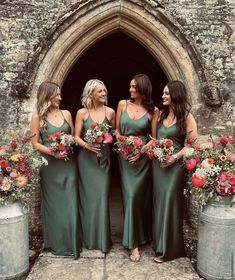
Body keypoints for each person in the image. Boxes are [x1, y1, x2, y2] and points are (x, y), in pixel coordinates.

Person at [30, 81, 82, 258]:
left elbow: (73, 137)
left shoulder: (66, 113)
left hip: (68, 164)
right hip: (50, 167)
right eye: (56, 95)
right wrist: (53, 151)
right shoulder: (38, 117)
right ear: (47, 95)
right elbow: (35, 143)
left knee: (70, 203)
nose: (60, 98)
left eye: (60, 94)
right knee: (54, 206)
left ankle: (72, 244)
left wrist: (68, 143)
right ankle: (55, 243)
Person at [152, 80, 198, 263]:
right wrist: (156, 153)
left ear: (175, 95)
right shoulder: (161, 116)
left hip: (174, 167)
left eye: (166, 93)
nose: (163, 96)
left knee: (170, 202)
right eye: (163, 93)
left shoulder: (186, 117)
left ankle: (169, 250)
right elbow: (155, 140)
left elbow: (192, 144)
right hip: (159, 166)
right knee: (160, 203)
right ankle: (159, 245)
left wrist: (174, 157)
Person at [116, 74, 159, 262]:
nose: (130, 90)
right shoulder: (122, 104)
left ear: (143, 89)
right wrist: (123, 143)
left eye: (134, 87)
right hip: (125, 157)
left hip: (142, 159)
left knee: (137, 198)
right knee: (129, 197)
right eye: (130, 87)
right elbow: (116, 131)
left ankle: (139, 237)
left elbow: (154, 139)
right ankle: (133, 244)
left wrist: (141, 150)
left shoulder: (153, 111)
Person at [74, 79, 115, 253]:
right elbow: (75, 137)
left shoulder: (111, 112)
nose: (104, 93)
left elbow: (114, 134)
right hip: (86, 160)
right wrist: (87, 144)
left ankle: (103, 240)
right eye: (100, 91)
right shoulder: (82, 113)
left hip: (103, 159)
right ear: (91, 93)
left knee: (102, 198)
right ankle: (89, 240)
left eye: (105, 90)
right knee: (88, 200)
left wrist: (106, 138)